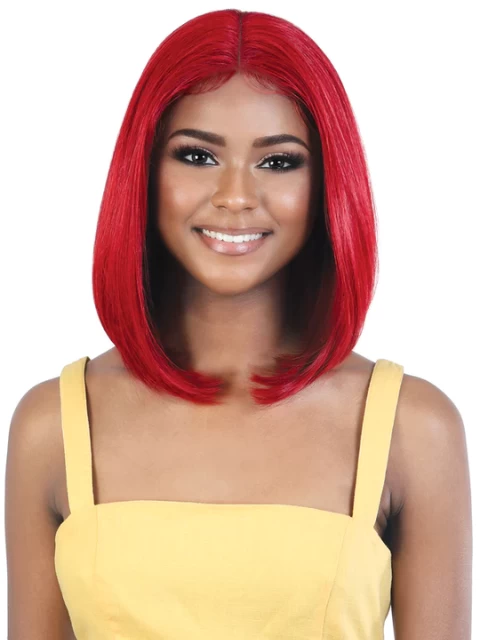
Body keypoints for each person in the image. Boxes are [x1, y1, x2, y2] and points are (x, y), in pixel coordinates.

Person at [5, 8, 472, 640]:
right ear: (145, 171)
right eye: (197, 155)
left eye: (278, 162)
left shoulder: (413, 430)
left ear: (327, 183)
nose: (235, 196)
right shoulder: (53, 426)